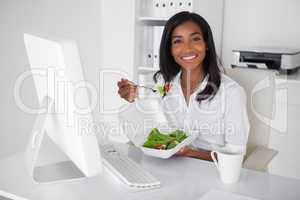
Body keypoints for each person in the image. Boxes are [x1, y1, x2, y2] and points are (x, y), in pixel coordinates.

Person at [117, 11, 249, 161]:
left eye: (195, 39)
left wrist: (189, 153)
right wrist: (133, 96)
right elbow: (149, 115)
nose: (187, 48)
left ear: (206, 44)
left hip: (210, 172)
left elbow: (235, 154)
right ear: (170, 49)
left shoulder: (232, 92)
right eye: (178, 41)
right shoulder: (164, 83)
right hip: (169, 166)